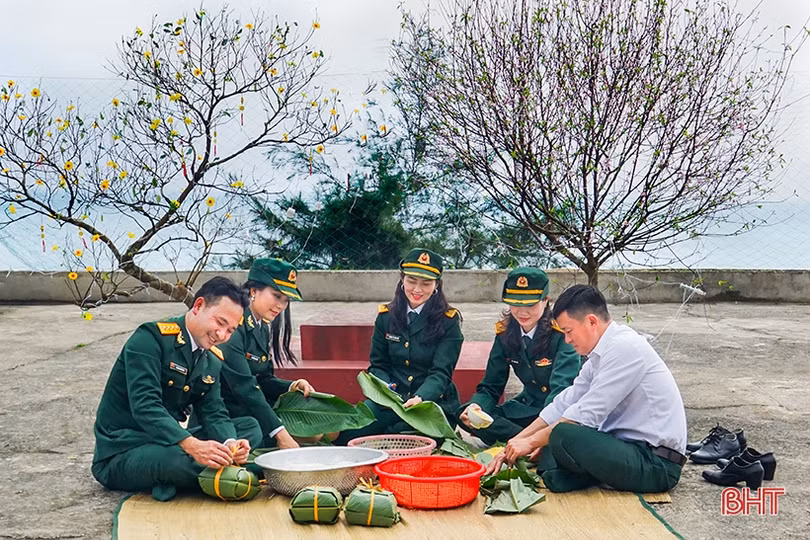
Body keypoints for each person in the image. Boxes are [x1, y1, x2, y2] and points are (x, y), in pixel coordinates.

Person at [485, 285, 687, 493]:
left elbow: (585, 415)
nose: (567, 340)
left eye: (568, 331)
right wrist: (515, 442)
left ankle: (585, 473)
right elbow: (565, 403)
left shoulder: (625, 348)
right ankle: (584, 473)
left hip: (655, 463)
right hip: (623, 449)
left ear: (591, 321)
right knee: (552, 466)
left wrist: (531, 443)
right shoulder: (598, 356)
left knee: (563, 434)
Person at [91, 277, 263, 501]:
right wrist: (193, 446)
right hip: (124, 450)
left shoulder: (211, 358)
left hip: (169, 441)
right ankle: (251, 474)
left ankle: (199, 476)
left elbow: (213, 411)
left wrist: (230, 444)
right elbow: (145, 406)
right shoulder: (150, 339)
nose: (221, 335)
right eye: (219, 323)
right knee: (174, 460)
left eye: (230, 330)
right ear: (198, 306)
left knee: (249, 428)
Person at [336, 248, 463, 443]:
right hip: (390, 401)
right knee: (348, 433)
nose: (417, 290)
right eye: (412, 281)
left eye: (426, 283)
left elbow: (441, 373)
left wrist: (421, 397)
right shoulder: (386, 317)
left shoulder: (449, 321)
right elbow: (378, 365)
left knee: (404, 437)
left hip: (430, 404)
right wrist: (386, 388)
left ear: (436, 285)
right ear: (402, 279)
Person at [457, 268, 581, 454]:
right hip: (526, 407)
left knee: (563, 432)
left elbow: (561, 391)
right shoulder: (505, 334)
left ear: (545, 300)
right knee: (465, 416)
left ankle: (527, 442)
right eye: (515, 304)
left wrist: (540, 432)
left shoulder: (562, 334)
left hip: (555, 411)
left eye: (530, 305)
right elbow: (491, 385)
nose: (522, 312)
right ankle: (529, 443)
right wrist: (476, 407)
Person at [217, 258, 316, 449]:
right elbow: (245, 387)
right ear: (254, 291)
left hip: (255, 409)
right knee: (309, 436)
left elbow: (263, 378)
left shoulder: (261, 326)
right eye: (276, 296)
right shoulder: (234, 327)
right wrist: (280, 433)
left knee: (319, 428)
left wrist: (292, 386)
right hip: (232, 415)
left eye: (286, 300)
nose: (281, 306)